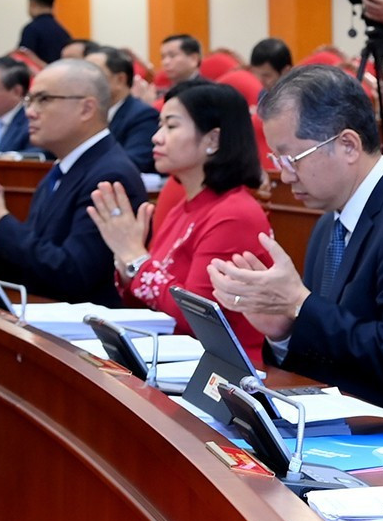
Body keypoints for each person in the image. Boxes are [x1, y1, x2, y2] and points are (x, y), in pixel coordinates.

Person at [208, 66, 383, 410]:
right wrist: (283, 329)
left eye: (291, 158)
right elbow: (324, 354)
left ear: (347, 144)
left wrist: (301, 302)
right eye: (276, 159)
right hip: (336, 410)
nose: (283, 174)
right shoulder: (329, 223)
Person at [89, 81, 274, 355]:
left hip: (223, 375)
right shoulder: (183, 205)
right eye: (160, 125)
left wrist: (136, 260)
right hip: (174, 359)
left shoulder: (234, 214)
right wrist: (127, 265)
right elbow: (150, 302)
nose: (157, 137)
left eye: (171, 126)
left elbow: (196, 318)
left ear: (212, 140)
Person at [0, 59, 146, 306]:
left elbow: (74, 276)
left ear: (86, 108)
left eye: (43, 99)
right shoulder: (61, 169)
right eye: (29, 100)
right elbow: (32, 271)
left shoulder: (109, 175)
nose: (30, 112)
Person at [86, 46, 161, 183]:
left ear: (120, 79)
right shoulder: (85, 113)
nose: (84, 81)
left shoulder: (142, 115)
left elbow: (134, 161)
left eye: (93, 74)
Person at [18, 0, 73, 64]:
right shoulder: (63, 32)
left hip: (40, 75)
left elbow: (24, 59)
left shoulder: (31, 29)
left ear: (32, 3)